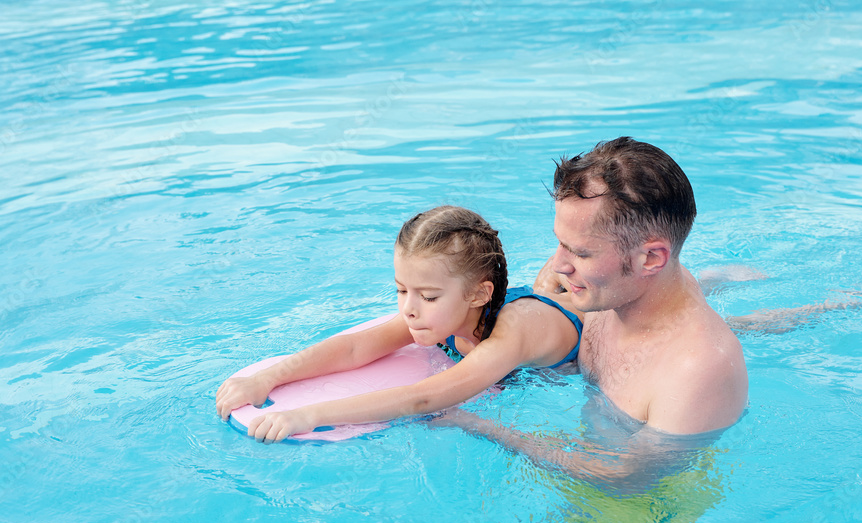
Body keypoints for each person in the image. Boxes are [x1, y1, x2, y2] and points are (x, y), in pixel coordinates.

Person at [215, 205, 584, 441]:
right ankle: (551, 282)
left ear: (477, 295)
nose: (409, 309)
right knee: (549, 286)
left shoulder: (511, 332)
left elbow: (425, 396)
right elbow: (356, 346)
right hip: (522, 309)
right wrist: (268, 378)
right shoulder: (442, 311)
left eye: (428, 296)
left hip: (578, 323)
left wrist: (308, 415)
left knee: (563, 296)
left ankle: (556, 284)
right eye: (400, 290)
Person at [531, 136, 749, 435]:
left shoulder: (696, 372)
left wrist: (475, 424)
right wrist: (540, 295)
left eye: (580, 253)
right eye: (560, 242)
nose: (558, 265)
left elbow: (624, 479)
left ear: (650, 258)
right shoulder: (605, 283)